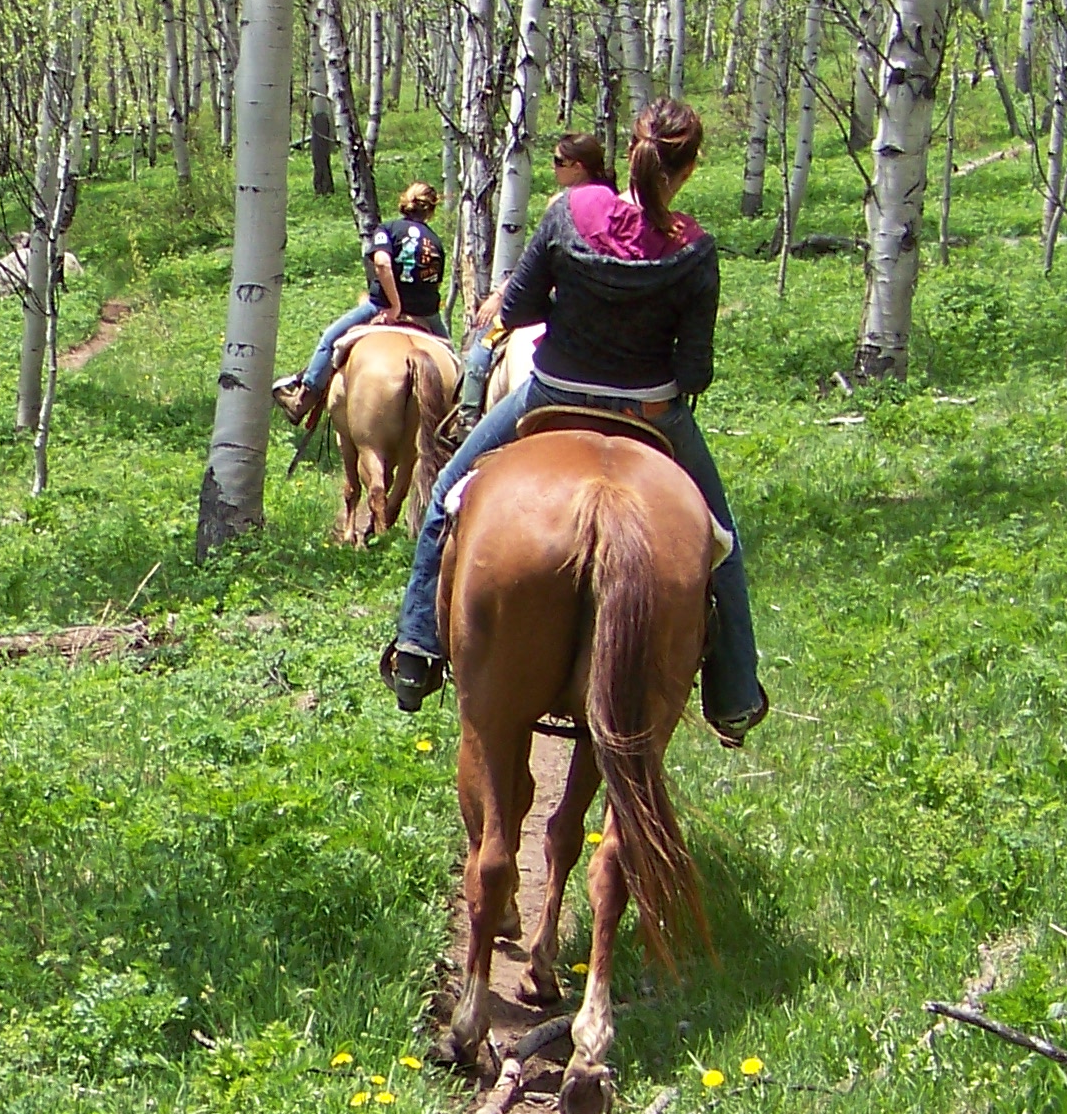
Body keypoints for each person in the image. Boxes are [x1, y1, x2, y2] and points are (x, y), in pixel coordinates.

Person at [382, 97, 770, 744]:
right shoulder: (695, 247)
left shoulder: (571, 211)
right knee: (720, 543)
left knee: (449, 494)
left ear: (631, 155)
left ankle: (419, 647)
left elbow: (526, 304)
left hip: (552, 393)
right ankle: (732, 695)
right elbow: (696, 371)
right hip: (652, 410)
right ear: (691, 167)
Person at [453, 133, 609, 439]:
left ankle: (467, 421)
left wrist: (500, 295)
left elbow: (536, 263)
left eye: (558, 162)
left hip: (556, 303)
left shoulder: (562, 204)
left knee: (483, 345)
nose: (553, 168)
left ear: (578, 167)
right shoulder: (617, 202)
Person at [277, 185, 446, 429]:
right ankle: (460, 416)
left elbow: (382, 263)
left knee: (330, 338)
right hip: (426, 314)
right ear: (431, 210)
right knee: (456, 364)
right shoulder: (435, 241)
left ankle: (302, 400)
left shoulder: (386, 229)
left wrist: (395, 306)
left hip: (381, 307)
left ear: (404, 203)